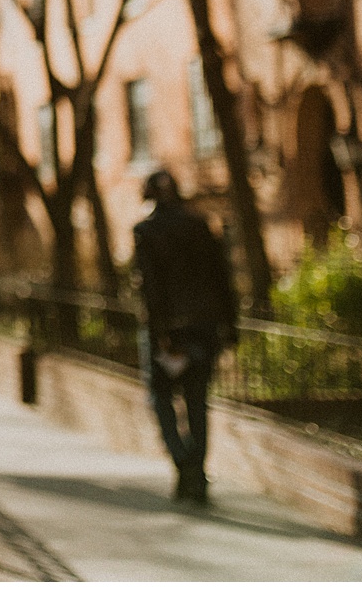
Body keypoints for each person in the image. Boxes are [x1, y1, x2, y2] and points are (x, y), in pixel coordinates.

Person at [133, 168, 238, 504]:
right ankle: (195, 474)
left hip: (167, 330)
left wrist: (161, 332)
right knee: (196, 402)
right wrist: (230, 325)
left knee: (160, 398)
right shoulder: (199, 226)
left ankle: (185, 465)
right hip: (205, 327)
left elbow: (149, 286)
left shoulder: (145, 231)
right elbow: (223, 277)